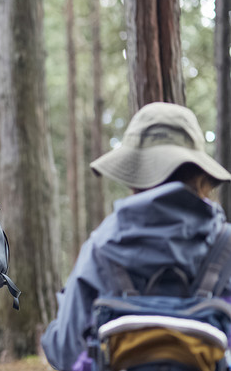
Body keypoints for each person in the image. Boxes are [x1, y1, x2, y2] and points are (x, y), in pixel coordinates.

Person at [41, 102, 231, 371]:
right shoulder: (226, 247)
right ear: (201, 174)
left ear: (134, 175)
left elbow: (65, 351)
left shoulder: (100, 248)